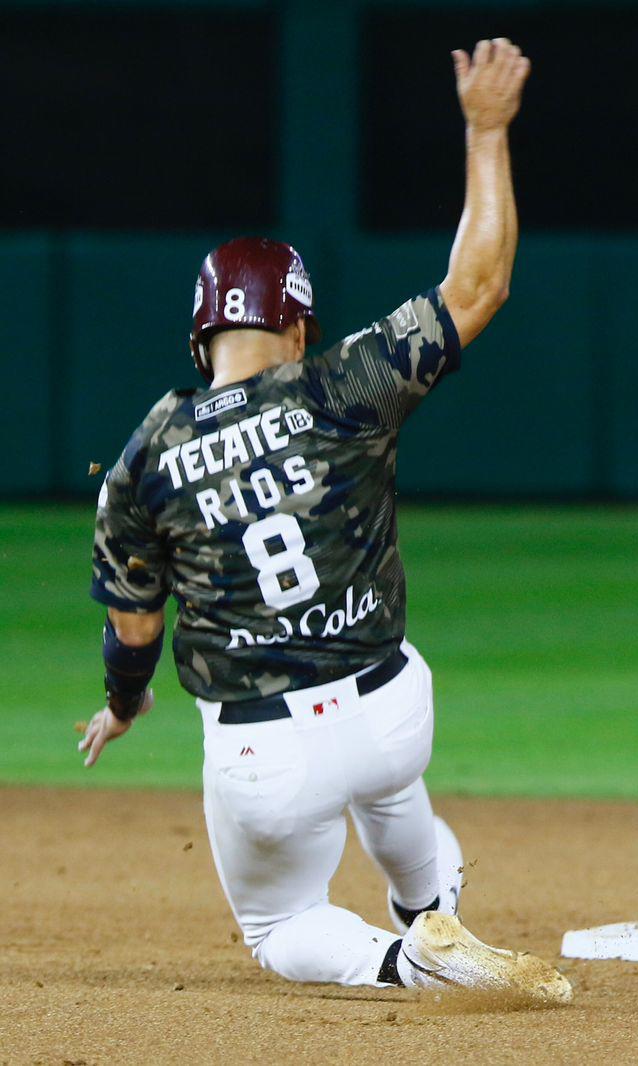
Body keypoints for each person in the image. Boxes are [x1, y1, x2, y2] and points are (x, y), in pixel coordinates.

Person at [80, 38, 569, 1002]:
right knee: (388, 787)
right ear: (299, 325)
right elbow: (479, 286)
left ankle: (411, 963)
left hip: (266, 752)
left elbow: (134, 627)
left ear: (199, 336)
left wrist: (126, 702)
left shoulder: (144, 457)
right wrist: (484, 132)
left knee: (280, 924)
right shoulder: (344, 384)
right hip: (392, 708)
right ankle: (433, 904)